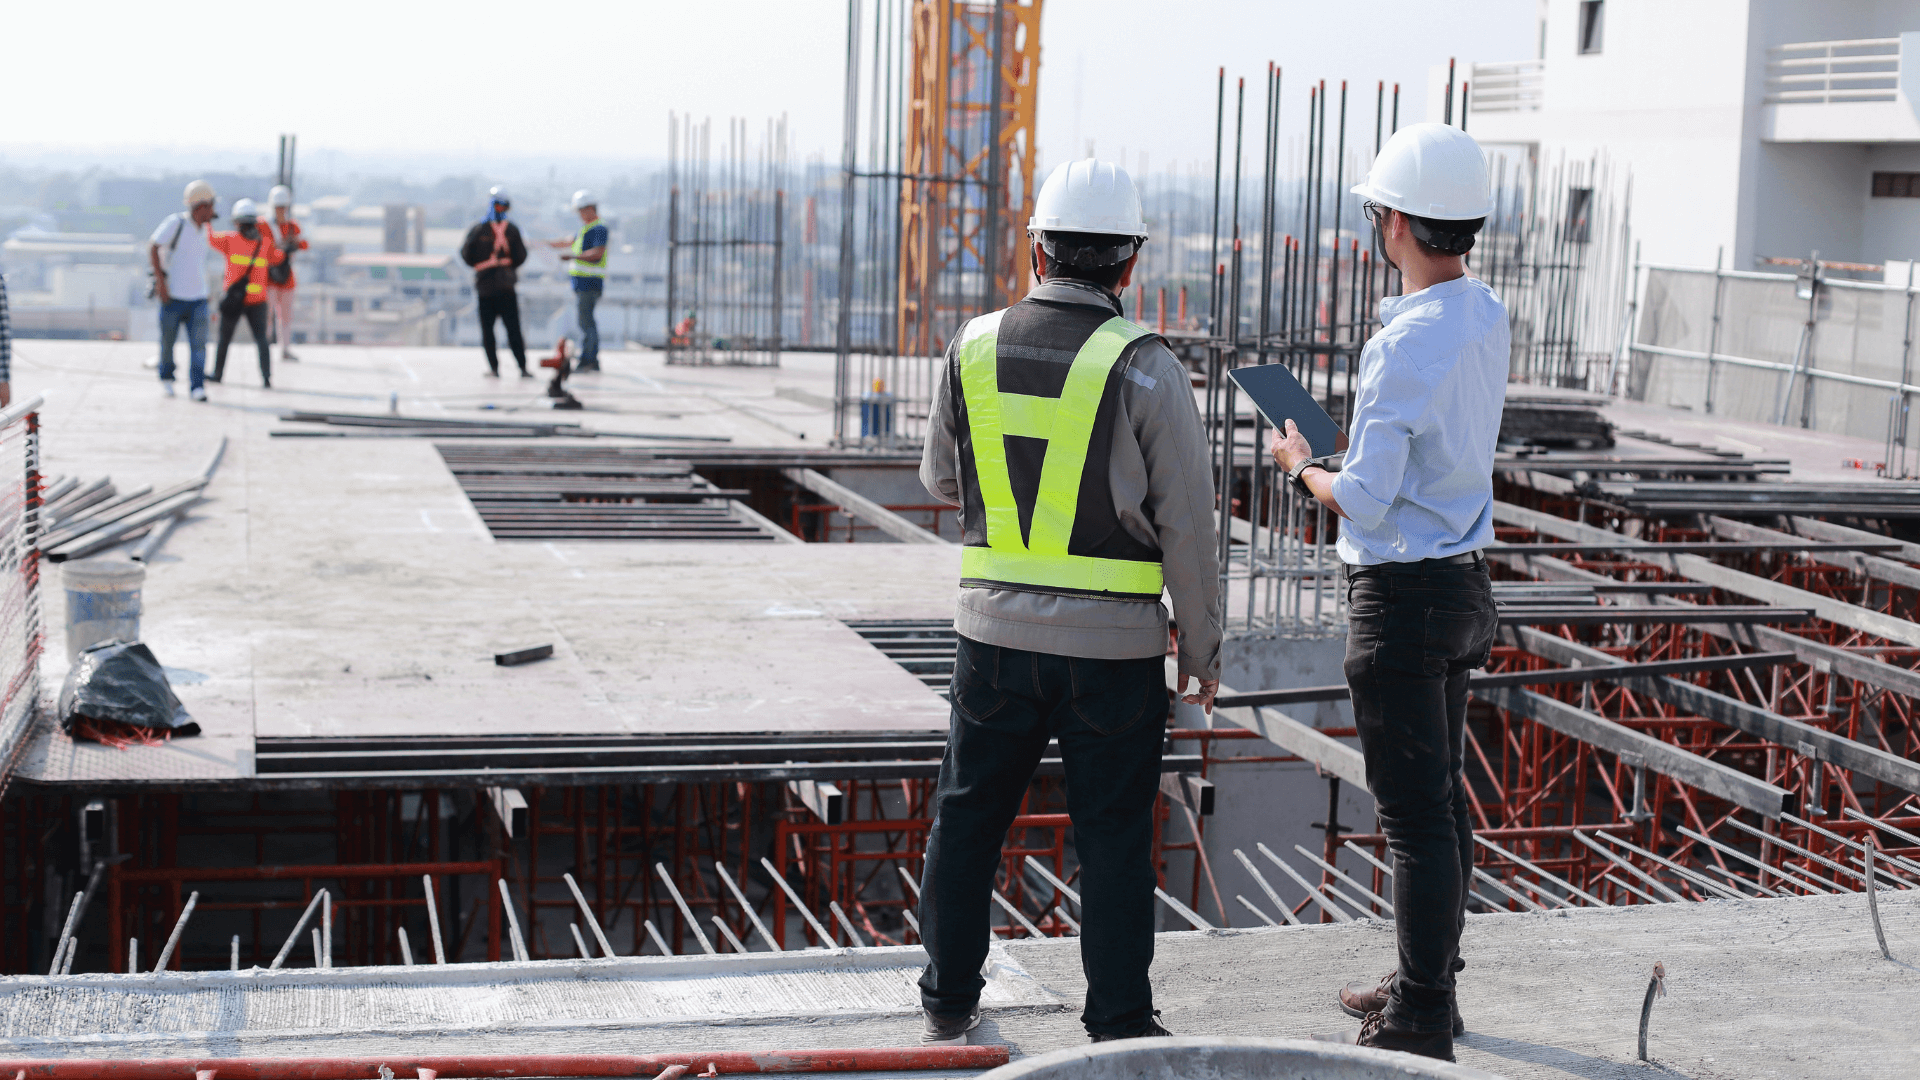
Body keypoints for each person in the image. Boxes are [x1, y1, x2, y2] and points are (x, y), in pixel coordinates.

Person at [916, 157, 1222, 1046]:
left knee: (968, 817)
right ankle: (1120, 1021)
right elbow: (1190, 534)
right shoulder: (1147, 367)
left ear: (1037, 250)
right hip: (1116, 657)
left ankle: (946, 999)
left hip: (993, 642)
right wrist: (1202, 654)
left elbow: (942, 476)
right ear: (1129, 265)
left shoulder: (971, 344)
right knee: (1116, 838)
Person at [1267, 123, 1507, 1064]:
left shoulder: (1401, 343)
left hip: (1401, 596)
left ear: (1395, 221)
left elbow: (1361, 497)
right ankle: (1423, 983)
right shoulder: (1483, 313)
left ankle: (1420, 1015)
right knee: (1442, 804)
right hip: (1462, 584)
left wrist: (1301, 466)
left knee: (1415, 818)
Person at [148, 180, 218, 400]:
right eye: (211, 206)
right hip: (173, 297)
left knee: (199, 347)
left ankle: (197, 386)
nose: (213, 212)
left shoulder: (205, 230)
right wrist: (161, 282)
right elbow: (153, 246)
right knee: (168, 342)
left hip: (198, 298)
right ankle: (167, 378)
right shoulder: (175, 224)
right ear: (201, 206)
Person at [207, 198, 285, 388]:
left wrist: (208, 219)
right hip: (258, 301)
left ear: (236, 222)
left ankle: (218, 375)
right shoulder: (265, 244)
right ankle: (266, 378)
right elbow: (279, 257)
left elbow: (209, 238)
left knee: (224, 340)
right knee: (261, 341)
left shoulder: (229, 240)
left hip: (234, 299)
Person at [460, 185, 530, 378]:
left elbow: (466, 255)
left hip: (489, 288)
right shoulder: (511, 230)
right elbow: (521, 256)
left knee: (501, 331)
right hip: (501, 286)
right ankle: (515, 368)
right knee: (504, 330)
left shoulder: (480, 229)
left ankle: (502, 368)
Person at [549, 189, 608, 373]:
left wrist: (572, 257)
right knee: (585, 322)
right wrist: (543, 244)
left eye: (581, 211)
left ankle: (589, 360)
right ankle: (590, 359)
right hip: (582, 284)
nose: (580, 215)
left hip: (590, 283)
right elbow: (567, 241)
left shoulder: (599, 228)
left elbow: (597, 253)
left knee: (586, 323)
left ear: (590, 208)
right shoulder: (586, 229)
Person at [265, 185, 308, 364]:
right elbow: (265, 250)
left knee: (286, 315)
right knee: (267, 314)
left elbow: (305, 244)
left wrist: (294, 243)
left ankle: (285, 348)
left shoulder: (292, 226)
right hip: (269, 278)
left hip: (287, 277)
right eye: (278, 207)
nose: (281, 210)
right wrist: (281, 250)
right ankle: (265, 347)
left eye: (283, 207)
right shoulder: (265, 226)